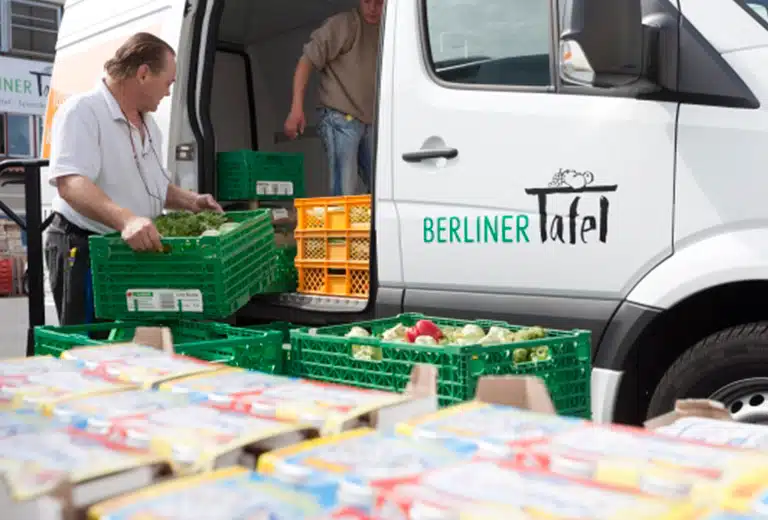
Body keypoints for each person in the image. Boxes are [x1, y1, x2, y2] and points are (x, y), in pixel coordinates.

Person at [45, 32, 223, 326]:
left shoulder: (149, 126)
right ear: (143, 74)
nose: (168, 93)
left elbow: (155, 186)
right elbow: (71, 182)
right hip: (86, 249)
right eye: (168, 83)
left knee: (130, 348)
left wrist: (192, 201)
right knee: (93, 349)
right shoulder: (83, 111)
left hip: (129, 252)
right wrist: (127, 220)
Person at [284, 0, 384, 196]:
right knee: (344, 190)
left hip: (371, 121)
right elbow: (306, 61)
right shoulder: (344, 25)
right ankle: (340, 227)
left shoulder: (389, 31)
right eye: (367, 1)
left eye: (379, 3)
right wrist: (296, 108)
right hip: (341, 117)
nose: (372, 8)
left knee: (382, 186)